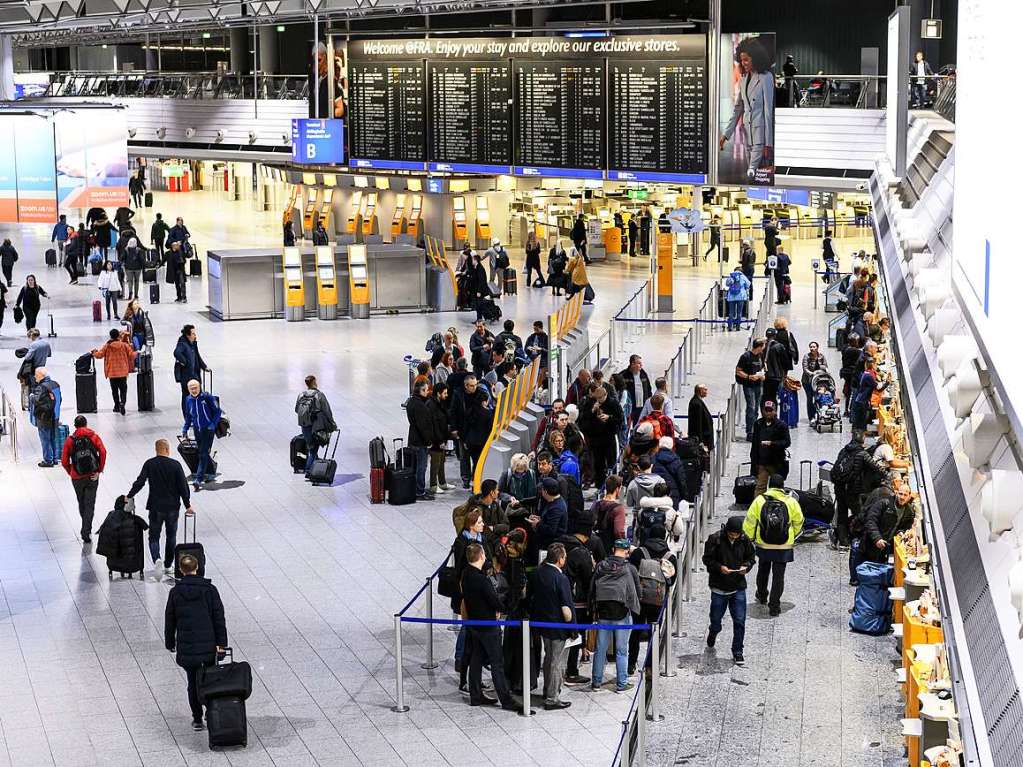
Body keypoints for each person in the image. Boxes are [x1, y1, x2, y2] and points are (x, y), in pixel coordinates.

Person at [164, 553, 227, 730]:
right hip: (208, 645)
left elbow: (170, 619)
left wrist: (170, 642)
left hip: (187, 646)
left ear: (181, 570)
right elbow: (218, 618)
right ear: (197, 567)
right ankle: (211, 711)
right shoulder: (210, 590)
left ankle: (197, 718)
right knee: (209, 679)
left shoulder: (175, 592)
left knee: (192, 683)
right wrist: (221, 645)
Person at [460, 543, 519, 710]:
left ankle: (476, 695)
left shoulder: (466, 574)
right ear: (481, 556)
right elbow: (494, 601)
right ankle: (506, 699)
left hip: (474, 625)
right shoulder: (481, 579)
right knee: (497, 663)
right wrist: (505, 608)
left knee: (476, 659)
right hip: (488, 626)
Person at [128, 438, 194, 576]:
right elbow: (183, 487)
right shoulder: (176, 465)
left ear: (156, 450)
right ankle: (168, 565)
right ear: (167, 449)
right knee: (171, 536)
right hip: (172, 508)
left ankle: (157, 558)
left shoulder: (149, 464)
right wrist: (188, 505)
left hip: (155, 506)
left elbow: (140, 482)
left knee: (154, 536)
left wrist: (129, 495)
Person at [743, 474, 803, 616]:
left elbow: (750, 520)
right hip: (783, 546)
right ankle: (774, 606)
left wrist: (750, 537)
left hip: (764, 543)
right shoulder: (791, 502)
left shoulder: (759, 500)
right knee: (778, 575)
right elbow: (799, 521)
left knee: (763, 570)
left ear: (770, 485)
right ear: (782, 486)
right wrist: (792, 535)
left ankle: (762, 595)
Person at [720, 35, 775, 181]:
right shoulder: (744, 79)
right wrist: (726, 135)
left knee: (755, 174)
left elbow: (769, 112)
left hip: (761, 137)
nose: (743, 63)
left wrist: (768, 145)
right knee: (753, 176)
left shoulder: (766, 77)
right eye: (741, 59)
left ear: (755, 58)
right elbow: (738, 109)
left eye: (746, 59)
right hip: (747, 135)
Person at [703, 516, 756, 665]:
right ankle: (713, 631)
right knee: (715, 619)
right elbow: (707, 559)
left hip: (738, 586)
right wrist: (720, 568)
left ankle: (738, 650)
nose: (734, 537)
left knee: (739, 620)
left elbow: (751, 557)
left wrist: (746, 566)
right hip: (719, 587)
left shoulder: (744, 540)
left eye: (736, 534)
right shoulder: (715, 539)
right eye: (731, 534)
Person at [528, 542, 576, 710]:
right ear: (560, 559)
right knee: (556, 663)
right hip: (558, 628)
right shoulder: (561, 578)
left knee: (548, 659)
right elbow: (567, 610)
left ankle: (547, 690)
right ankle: (552, 698)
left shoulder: (537, 573)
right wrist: (572, 629)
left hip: (542, 625)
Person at [589, 539, 640, 692]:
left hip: (603, 613)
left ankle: (596, 683)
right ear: (627, 552)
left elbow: (592, 589)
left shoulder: (600, 566)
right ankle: (621, 684)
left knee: (600, 649)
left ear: (612, 549)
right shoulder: (629, 568)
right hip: (622, 614)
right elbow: (636, 591)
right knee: (621, 650)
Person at [60, 415, 107, 543]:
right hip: (92, 475)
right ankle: (86, 530)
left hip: (77, 477)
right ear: (86, 424)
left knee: (81, 502)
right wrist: (99, 470)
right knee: (90, 504)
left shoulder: (70, 440)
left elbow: (64, 461)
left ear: (75, 426)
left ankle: (85, 525)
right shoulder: (93, 436)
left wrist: (71, 471)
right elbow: (103, 452)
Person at [449, 374, 493, 489]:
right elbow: (453, 412)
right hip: (463, 429)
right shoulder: (458, 394)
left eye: (475, 385)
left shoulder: (480, 393)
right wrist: (454, 428)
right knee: (464, 457)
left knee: (477, 457)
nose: (474, 388)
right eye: (471, 386)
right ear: (466, 385)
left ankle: (475, 478)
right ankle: (466, 479)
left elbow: (486, 401)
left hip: (476, 431)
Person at [577, 382, 623, 486]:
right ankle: (600, 484)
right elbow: (584, 418)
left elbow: (620, 419)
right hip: (596, 438)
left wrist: (609, 417)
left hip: (609, 436)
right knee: (598, 463)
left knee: (611, 461)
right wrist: (592, 410)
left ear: (605, 395)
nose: (599, 401)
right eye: (597, 398)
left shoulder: (613, 404)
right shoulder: (591, 403)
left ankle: (614, 483)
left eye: (600, 398)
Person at [182, 378, 222, 490]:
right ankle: (211, 470)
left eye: (195, 388)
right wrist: (185, 429)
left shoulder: (207, 397)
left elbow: (217, 411)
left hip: (208, 430)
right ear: (188, 389)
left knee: (203, 453)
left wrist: (212, 425)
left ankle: (198, 479)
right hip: (197, 430)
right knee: (202, 452)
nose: (194, 390)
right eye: (191, 388)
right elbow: (188, 416)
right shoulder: (188, 399)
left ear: (199, 387)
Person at [862, 483, 917, 563]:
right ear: (896, 493)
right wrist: (877, 538)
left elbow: (905, 527)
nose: (902, 497)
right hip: (870, 545)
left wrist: (901, 532)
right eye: (900, 494)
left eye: (905, 495)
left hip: (886, 548)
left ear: (909, 496)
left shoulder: (909, 512)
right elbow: (871, 520)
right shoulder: (884, 503)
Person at [295, 375, 336, 476]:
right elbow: (327, 411)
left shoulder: (301, 395)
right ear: (313, 382)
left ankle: (315, 469)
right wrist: (332, 423)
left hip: (304, 425)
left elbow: (296, 409)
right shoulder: (319, 395)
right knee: (313, 450)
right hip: (316, 425)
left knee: (311, 446)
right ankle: (309, 471)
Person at [91, 329, 137, 415]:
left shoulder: (107, 346)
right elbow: (131, 355)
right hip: (123, 372)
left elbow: (99, 355)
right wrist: (137, 353)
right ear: (118, 336)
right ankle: (122, 403)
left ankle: (116, 406)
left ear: (111, 336)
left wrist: (94, 352)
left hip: (112, 373)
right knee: (123, 390)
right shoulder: (124, 345)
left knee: (114, 390)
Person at [750, 401, 791, 496]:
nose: (768, 413)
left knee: (776, 489)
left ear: (775, 411)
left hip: (776, 463)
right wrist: (754, 462)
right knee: (760, 487)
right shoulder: (758, 424)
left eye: (770, 410)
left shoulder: (781, 426)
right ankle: (758, 507)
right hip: (762, 462)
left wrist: (772, 444)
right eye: (766, 410)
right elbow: (755, 445)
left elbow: (787, 442)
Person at [406, 379, 435, 501]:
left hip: (413, 438)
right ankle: (420, 491)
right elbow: (423, 427)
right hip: (420, 442)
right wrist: (428, 441)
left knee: (415, 466)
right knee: (421, 467)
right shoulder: (420, 406)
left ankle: (416, 489)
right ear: (422, 390)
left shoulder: (411, 402)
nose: (428, 392)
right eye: (426, 390)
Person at [173, 325, 209, 420]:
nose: (195, 335)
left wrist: (204, 366)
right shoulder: (182, 343)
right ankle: (188, 418)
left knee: (198, 395)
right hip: (186, 376)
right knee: (186, 396)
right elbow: (176, 353)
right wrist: (184, 362)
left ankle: (197, 416)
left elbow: (197, 356)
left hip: (195, 374)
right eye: (193, 333)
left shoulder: (193, 343)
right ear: (188, 335)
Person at [28, 367, 61, 468]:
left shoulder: (41, 387)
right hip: (55, 415)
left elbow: (37, 400)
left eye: (36, 375)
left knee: (45, 439)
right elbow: (60, 399)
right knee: (53, 438)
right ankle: (55, 458)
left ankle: (48, 460)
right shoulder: (55, 384)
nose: (35, 377)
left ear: (42, 376)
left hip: (44, 417)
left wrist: (31, 396)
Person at [735, 340, 766, 441]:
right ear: (759, 346)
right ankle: (750, 431)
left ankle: (755, 429)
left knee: (756, 407)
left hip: (758, 385)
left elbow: (762, 367)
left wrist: (762, 375)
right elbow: (738, 371)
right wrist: (749, 377)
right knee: (751, 407)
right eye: (763, 346)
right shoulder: (746, 356)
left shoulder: (761, 355)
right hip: (749, 385)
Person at [531, 477, 568, 552]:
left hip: (551, 545)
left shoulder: (556, 508)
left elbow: (551, 530)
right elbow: (548, 519)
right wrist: (540, 518)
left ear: (546, 492)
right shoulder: (552, 501)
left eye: (542, 489)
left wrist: (537, 524)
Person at [652, 436, 688, 510]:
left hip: (656, 493)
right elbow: (681, 480)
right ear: (671, 446)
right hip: (673, 494)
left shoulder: (653, 458)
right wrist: (684, 496)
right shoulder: (676, 460)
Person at [593, 475, 627, 552]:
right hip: (610, 547)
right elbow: (619, 531)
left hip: (596, 545)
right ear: (617, 489)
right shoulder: (618, 509)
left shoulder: (596, 504)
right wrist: (624, 546)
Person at [801, 341, 828, 423]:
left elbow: (825, 366)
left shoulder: (821, 356)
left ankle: (819, 414)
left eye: (814, 347)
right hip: (807, 381)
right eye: (811, 347)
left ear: (817, 348)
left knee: (818, 397)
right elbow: (805, 368)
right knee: (810, 398)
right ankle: (811, 417)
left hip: (818, 380)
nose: (812, 348)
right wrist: (812, 373)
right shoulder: (806, 356)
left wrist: (821, 370)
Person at [620, 355, 652, 425]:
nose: (641, 365)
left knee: (638, 426)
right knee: (626, 427)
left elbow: (648, 389)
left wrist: (649, 402)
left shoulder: (643, 374)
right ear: (632, 364)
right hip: (629, 407)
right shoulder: (623, 375)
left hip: (641, 406)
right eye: (639, 363)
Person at [687, 383, 714, 455]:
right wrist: (701, 441)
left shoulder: (698, 401)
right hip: (703, 439)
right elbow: (698, 424)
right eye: (705, 389)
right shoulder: (696, 403)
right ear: (700, 391)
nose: (706, 391)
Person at [724, 266, 751, 331]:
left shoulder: (731, 276)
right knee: (739, 312)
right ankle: (738, 327)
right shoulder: (743, 276)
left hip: (731, 296)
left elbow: (727, 284)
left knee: (731, 312)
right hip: (741, 296)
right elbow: (748, 284)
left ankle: (730, 326)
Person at [122, 236, 145, 301]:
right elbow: (142, 259)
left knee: (130, 281)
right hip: (138, 268)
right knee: (137, 281)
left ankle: (130, 293)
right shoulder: (139, 250)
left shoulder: (126, 249)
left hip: (128, 268)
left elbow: (122, 258)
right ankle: (136, 295)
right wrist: (144, 266)